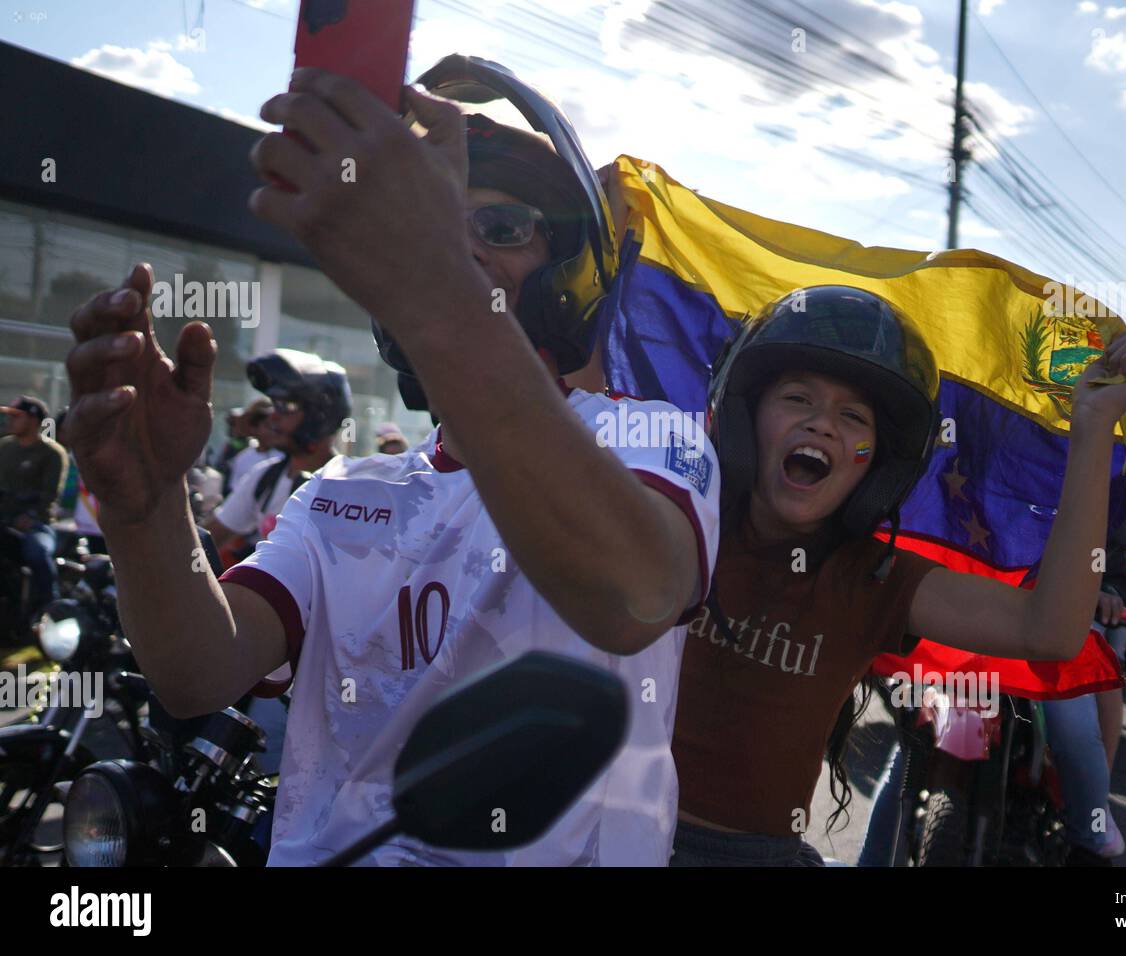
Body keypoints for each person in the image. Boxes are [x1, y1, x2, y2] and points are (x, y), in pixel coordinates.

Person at [61, 58, 718, 866]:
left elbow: (632, 595)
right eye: (441, 227)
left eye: (502, 229)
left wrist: (434, 269)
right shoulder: (341, 492)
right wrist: (144, 509)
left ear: (569, 274)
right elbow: (200, 671)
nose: (462, 248)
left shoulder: (653, 440)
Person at [668, 285, 1126, 867]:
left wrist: (1094, 424)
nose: (824, 426)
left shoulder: (873, 578)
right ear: (746, 419)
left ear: (876, 465)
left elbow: (1048, 630)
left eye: (853, 417)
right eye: (797, 399)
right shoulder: (675, 522)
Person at [206, 349, 351, 557]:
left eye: (287, 406)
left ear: (319, 416)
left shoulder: (349, 486)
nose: (273, 417)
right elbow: (210, 537)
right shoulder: (265, 477)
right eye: (274, 405)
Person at [0, 396, 68, 615]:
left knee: (37, 553)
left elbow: (50, 495)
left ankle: (51, 609)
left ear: (32, 419)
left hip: (36, 523)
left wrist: (32, 517)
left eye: (16, 416)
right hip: (4, 519)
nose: (10, 421)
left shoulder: (52, 453)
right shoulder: (5, 447)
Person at [222, 397, 280, 495]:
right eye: (267, 425)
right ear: (254, 428)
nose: (272, 430)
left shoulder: (284, 457)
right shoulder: (242, 458)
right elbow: (235, 492)